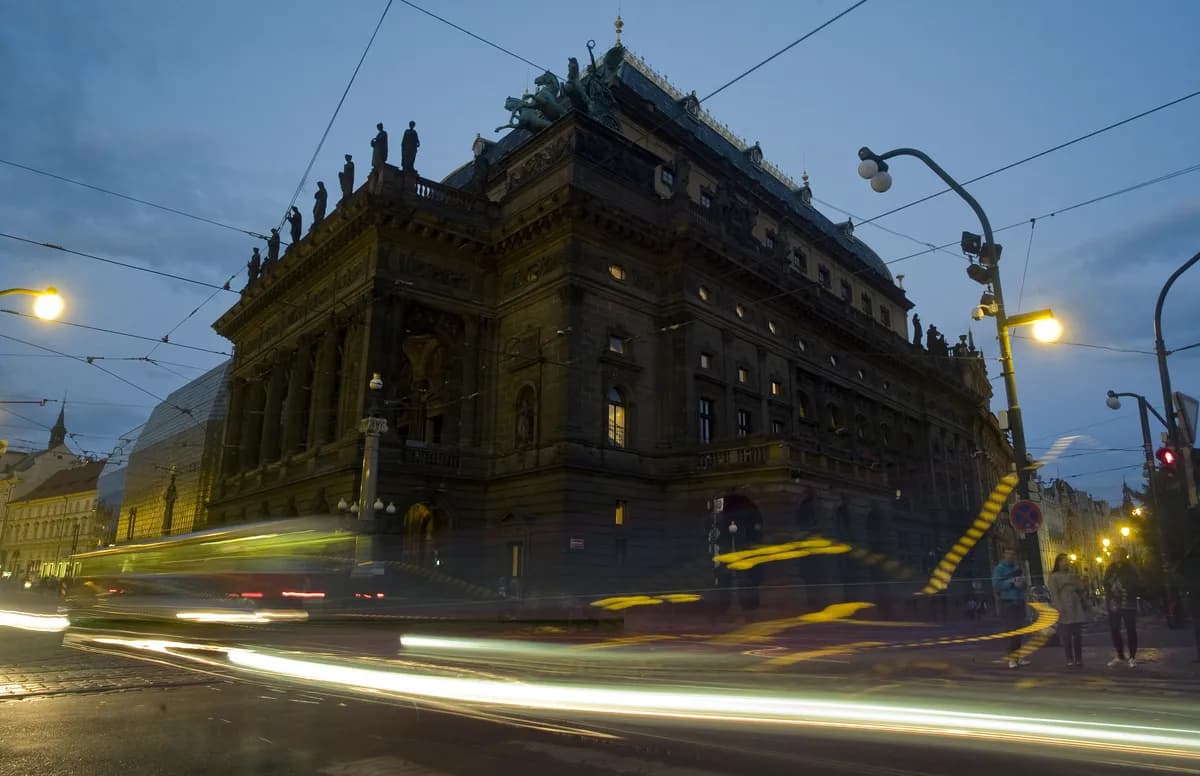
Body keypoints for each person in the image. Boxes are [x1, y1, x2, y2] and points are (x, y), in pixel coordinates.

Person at [1048, 553, 1090, 668]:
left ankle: (1079, 658)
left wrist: (1083, 582)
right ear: (1058, 563)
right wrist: (1058, 606)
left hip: (1075, 605)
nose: (1066, 563)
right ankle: (1069, 658)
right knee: (1066, 634)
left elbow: (1080, 588)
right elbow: (1054, 593)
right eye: (1063, 561)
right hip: (1064, 605)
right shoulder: (1054, 577)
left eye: (1067, 561)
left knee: (1077, 634)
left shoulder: (1072, 575)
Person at [992, 547, 1030, 668]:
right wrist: (1011, 582)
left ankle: (1018, 657)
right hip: (1008, 603)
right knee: (1012, 632)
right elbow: (996, 585)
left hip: (1019, 601)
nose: (1011, 556)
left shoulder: (1017, 568)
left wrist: (1023, 583)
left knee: (1020, 632)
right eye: (1008, 554)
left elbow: (1025, 585)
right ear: (1003, 555)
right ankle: (1011, 659)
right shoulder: (999, 569)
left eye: (1013, 554)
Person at [1104, 548, 1140, 667]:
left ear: (1124, 555)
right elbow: (1105, 583)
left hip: (1127, 602)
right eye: (1114, 554)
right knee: (1114, 629)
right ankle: (1120, 654)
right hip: (1114, 603)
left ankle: (1132, 656)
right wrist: (1111, 594)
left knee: (1130, 629)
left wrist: (1122, 589)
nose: (1116, 556)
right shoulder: (1110, 569)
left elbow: (1134, 583)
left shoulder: (1130, 569)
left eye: (1119, 554)